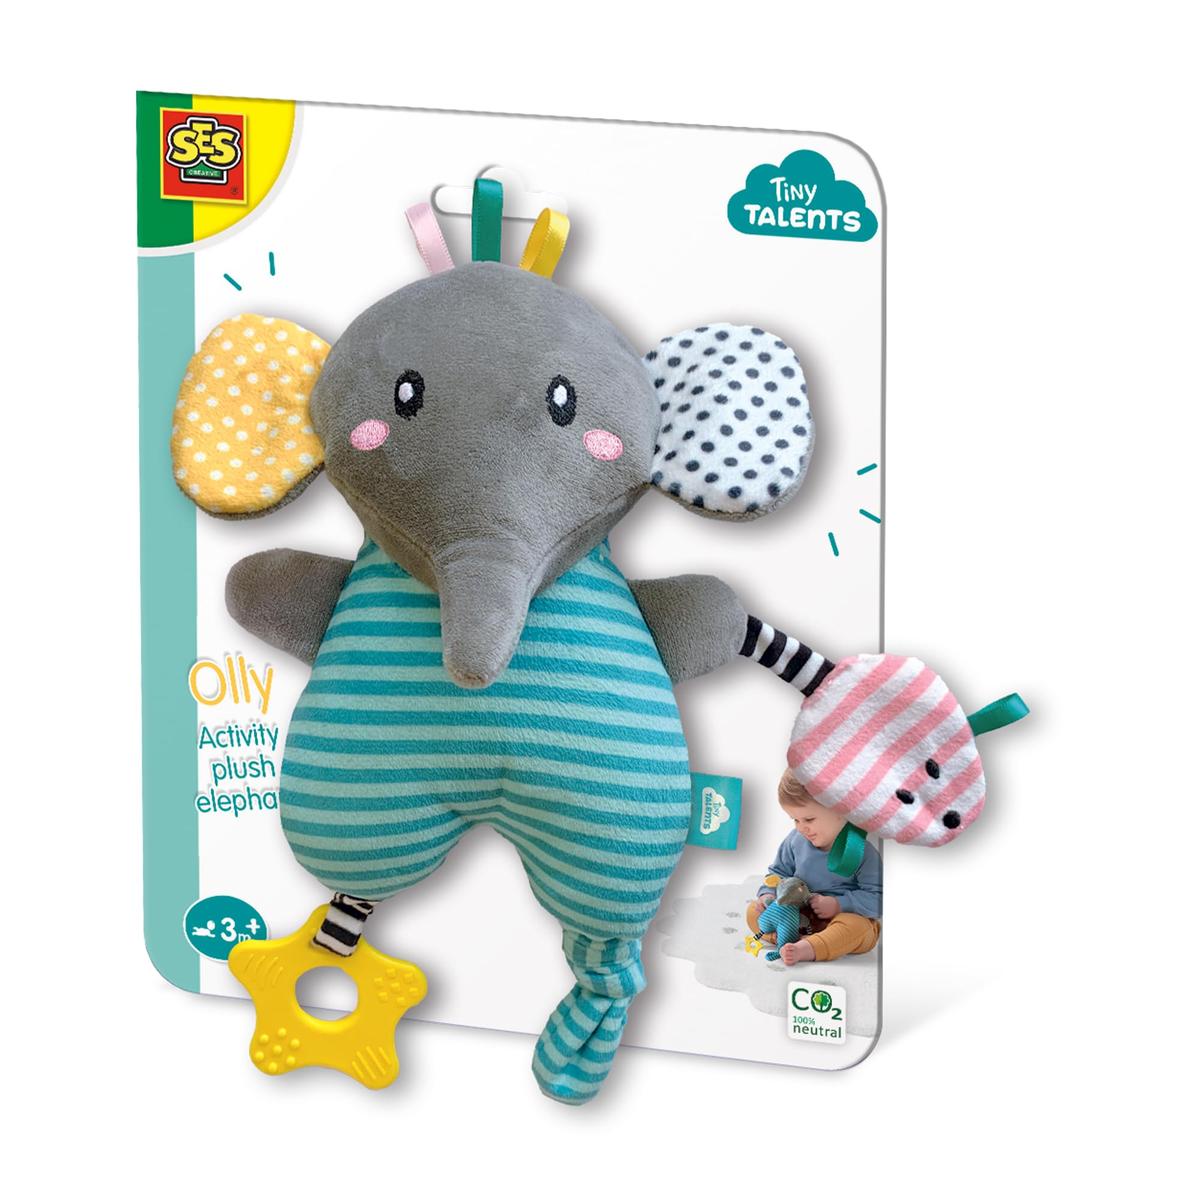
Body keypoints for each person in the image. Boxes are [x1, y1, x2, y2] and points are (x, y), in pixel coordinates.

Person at [747, 771, 882, 964]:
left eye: (809, 819)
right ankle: (786, 938)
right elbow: (778, 874)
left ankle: (808, 947)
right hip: (798, 917)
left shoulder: (860, 852)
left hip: (840, 919)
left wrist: (838, 904)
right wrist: (767, 895)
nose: (801, 828)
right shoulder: (795, 840)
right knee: (753, 912)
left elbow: (878, 898)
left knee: (859, 928)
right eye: (795, 820)